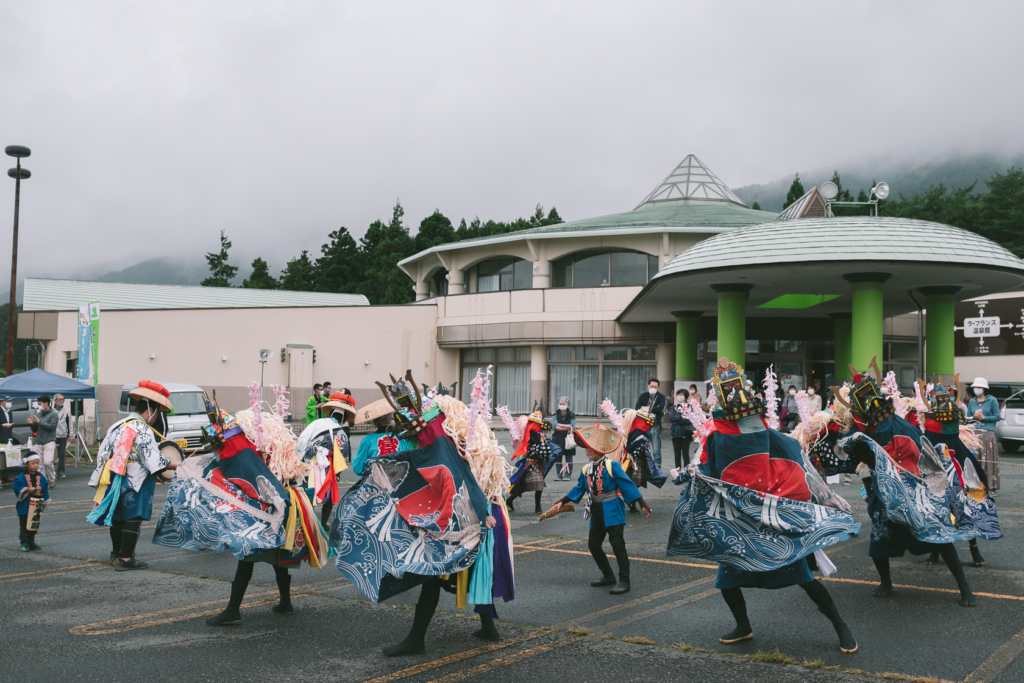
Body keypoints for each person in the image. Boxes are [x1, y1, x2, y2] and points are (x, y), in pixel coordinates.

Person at [668, 359, 859, 653]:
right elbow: (708, 469)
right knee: (727, 579)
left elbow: (795, 458)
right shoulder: (717, 437)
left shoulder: (766, 434)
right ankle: (743, 626)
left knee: (804, 579)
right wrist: (685, 475)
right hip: (738, 518)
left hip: (772, 515)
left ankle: (840, 626)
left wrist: (822, 497)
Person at [333, 371, 515, 656]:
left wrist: (481, 508)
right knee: (460, 572)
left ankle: (418, 639)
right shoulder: (444, 439)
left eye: (419, 433)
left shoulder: (443, 441)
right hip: (469, 513)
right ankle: (486, 627)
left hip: (476, 515)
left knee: (439, 574)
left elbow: (463, 477)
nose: (417, 438)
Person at [153, 392, 329, 626]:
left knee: (248, 555)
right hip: (285, 504)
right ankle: (284, 603)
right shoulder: (268, 449)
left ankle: (233, 609)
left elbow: (244, 473)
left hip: (273, 507)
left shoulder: (253, 451)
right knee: (278, 554)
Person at [835, 362, 977, 607]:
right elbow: (843, 461)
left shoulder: (903, 428)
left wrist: (936, 490)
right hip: (884, 492)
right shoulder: (858, 432)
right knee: (879, 538)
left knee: (939, 535)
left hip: (916, 491)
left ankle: (964, 587)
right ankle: (886, 582)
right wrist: (848, 441)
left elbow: (928, 459)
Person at [88, 381, 178, 571]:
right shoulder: (142, 429)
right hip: (135, 478)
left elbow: (102, 452)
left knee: (118, 515)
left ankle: (117, 552)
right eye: (156, 414)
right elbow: (154, 461)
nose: (155, 419)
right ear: (150, 411)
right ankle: (127, 560)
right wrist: (179, 465)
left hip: (114, 476)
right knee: (133, 517)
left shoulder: (117, 425)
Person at [551, 424, 650, 595]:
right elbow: (578, 489)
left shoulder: (612, 466)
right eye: (586, 448)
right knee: (593, 545)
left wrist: (642, 503)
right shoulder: (586, 468)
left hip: (612, 508)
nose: (588, 451)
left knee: (617, 545)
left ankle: (624, 580)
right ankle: (608, 576)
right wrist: (560, 502)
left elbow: (627, 484)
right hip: (596, 509)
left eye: (591, 448)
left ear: (600, 449)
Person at [298, 391, 355, 527]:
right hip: (327, 467)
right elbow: (345, 459)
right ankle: (323, 524)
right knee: (328, 498)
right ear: (343, 419)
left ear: (330, 413)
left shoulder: (317, 423)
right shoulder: (341, 433)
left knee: (308, 494)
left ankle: (307, 523)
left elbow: (302, 440)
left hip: (307, 462)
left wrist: (301, 460)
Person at [351, 398, 412, 475]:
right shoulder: (404, 437)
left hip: (376, 482)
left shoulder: (367, 441)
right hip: (401, 479)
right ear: (391, 417)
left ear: (375, 421)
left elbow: (358, 468)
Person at [506, 411, 552, 514]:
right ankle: (537, 508)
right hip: (531, 463)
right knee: (537, 485)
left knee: (527, 485)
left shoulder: (534, 434)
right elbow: (542, 452)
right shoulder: (531, 436)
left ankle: (510, 500)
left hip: (534, 463)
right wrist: (542, 441)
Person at [967, 378, 1000, 493]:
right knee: (976, 460)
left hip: (988, 433)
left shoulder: (992, 400)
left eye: (979, 387)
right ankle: (976, 486)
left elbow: (997, 417)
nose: (977, 389)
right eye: (975, 387)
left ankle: (990, 487)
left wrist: (984, 418)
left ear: (984, 389)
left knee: (989, 460)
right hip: (974, 433)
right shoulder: (972, 402)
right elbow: (968, 418)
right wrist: (974, 417)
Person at [14, 453, 49, 551]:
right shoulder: (21, 477)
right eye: (33, 463)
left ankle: (31, 541)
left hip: (36, 504)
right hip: (25, 504)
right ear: (26, 464)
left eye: (37, 463)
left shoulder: (40, 476)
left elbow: (45, 488)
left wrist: (45, 501)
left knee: (34, 524)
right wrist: (26, 489)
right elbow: (16, 486)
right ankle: (24, 542)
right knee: (24, 524)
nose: (36, 465)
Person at [27, 396, 59, 487]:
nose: (39, 406)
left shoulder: (54, 414)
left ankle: (52, 479)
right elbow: (35, 429)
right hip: (39, 441)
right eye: (38, 404)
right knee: (39, 464)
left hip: (49, 440)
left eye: (40, 404)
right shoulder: (39, 414)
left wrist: (39, 422)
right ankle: (43, 481)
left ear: (46, 404)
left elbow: (52, 427)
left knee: (47, 462)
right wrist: (32, 424)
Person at [635, 378, 667, 466]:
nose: (653, 388)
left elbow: (660, 409)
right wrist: (653, 409)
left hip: (655, 427)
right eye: (652, 386)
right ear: (648, 386)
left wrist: (645, 408)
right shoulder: (643, 396)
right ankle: (644, 471)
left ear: (658, 388)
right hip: (642, 427)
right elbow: (637, 408)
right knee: (642, 450)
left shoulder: (661, 397)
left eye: (655, 387)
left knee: (656, 452)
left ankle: (657, 473)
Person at [551, 397, 576, 480]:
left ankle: (568, 474)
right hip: (557, 438)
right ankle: (559, 474)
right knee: (558, 457)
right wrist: (567, 427)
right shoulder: (555, 414)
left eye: (564, 404)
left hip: (568, 438)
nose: (562, 406)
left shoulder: (572, 414)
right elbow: (555, 426)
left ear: (567, 404)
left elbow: (572, 426)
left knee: (569, 457)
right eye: (560, 404)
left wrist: (560, 425)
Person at [670, 389, 695, 469]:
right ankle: (678, 471)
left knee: (685, 454)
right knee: (677, 454)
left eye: (681, 394)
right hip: (675, 434)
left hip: (686, 434)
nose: (679, 396)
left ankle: (686, 471)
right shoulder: (674, 407)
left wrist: (677, 421)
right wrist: (681, 417)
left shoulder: (690, 407)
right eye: (678, 394)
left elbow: (690, 420)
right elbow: (671, 418)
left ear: (686, 396)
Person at [53, 394, 72, 480]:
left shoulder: (67, 411)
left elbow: (69, 423)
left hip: (62, 435)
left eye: (62, 400)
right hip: (52, 435)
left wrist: (70, 434)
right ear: (55, 401)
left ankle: (60, 472)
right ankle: (51, 472)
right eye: (59, 400)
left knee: (61, 455)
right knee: (51, 455)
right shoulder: (51, 410)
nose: (61, 401)